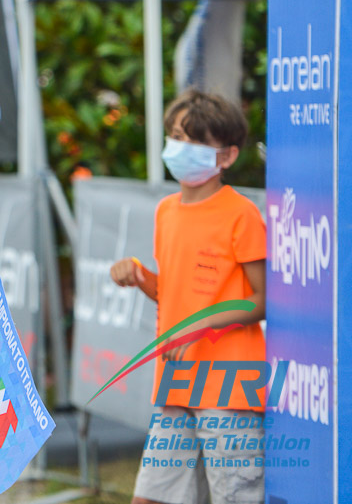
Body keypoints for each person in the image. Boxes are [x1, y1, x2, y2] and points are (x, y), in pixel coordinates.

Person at [110, 89, 266, 504]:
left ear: (227, 156)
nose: (181, 148)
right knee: (149, 499)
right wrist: (140, 277)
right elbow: (172, 293)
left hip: (230, 390)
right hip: (176, 385)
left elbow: (262, 301)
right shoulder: (166, 210)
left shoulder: (241, 213)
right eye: (177, 136)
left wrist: (201, 324)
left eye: (196, 141)